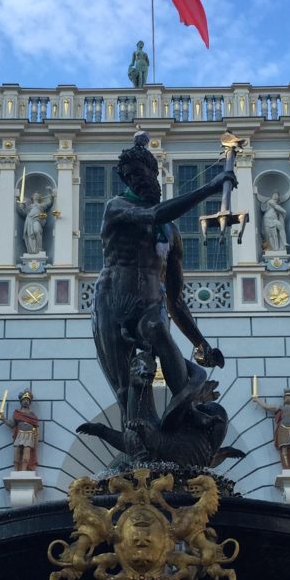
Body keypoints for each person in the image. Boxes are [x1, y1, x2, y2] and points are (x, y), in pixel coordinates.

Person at [87, 132, 232, 459]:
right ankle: (139, 455)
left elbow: (176, 301)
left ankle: (187, 410)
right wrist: (210, 188)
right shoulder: (117, 207)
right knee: (126, 394)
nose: (140, 180)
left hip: (151, 301)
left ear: (155, 174)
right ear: (126, 179)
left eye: (145, 173)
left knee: (158, 330)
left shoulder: (172, 235)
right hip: (112, 303)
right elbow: (153, 215)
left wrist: (200, 343)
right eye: (133, 176)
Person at [253, 388, 290, 469]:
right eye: (286, 397)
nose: (288, 398)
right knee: (284, 449)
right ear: (284, 399)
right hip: (282, 429)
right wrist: (258, 400)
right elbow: (268, 407)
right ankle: (287, 468)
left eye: (289, 397)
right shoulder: (280, 408)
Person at [0, 389, 40, 471]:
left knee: (27, 452)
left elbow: (36, 427)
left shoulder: (32, 414)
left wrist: (37, 439)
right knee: (17, 451)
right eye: (24, 400)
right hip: (20, 434)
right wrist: (3, 419)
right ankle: (16, 469)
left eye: (28, 400)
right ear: (21, 401)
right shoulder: (17, 413)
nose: (26, 402)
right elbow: (12, 424)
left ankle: (24, 469)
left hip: (29, 435)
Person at [16, 188, 55, 255]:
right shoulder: (29, 206)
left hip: (37, 220)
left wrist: (51, 193)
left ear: (40, 197)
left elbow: (50, 203)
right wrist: (21, 206)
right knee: (30, 235)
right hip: (29, 220)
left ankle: (39, 249)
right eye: (35, 195)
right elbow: (23, 213)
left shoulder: (42, 205)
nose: (36, 196)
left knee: (36, 231)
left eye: (37, 195)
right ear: (32, 197)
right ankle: (31, 251)